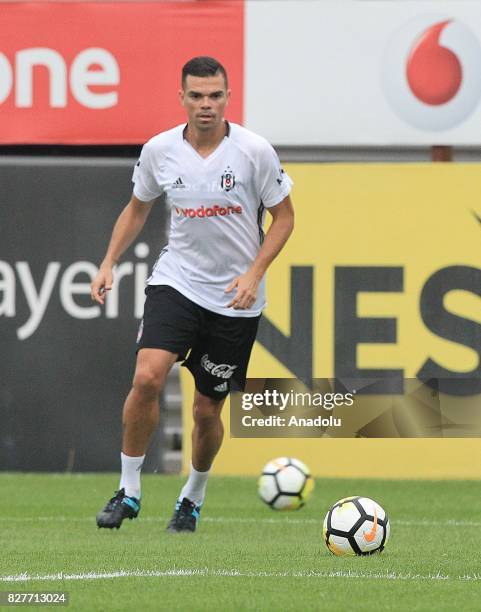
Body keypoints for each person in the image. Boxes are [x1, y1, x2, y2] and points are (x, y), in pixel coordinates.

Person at [91, 56, 294, 532]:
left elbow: (284, 218)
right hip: (177, 281)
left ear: (227, 97)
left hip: (234, 298)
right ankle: (129, 490)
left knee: (207, 410)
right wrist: (108, 262)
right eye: (197, 96)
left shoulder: (254, 151)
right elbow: (137, 209)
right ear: (181, 98)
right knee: (147, 376)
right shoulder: (160, 150)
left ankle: (192, 497)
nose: (206, 105)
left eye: (215, 95)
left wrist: (253, 273)